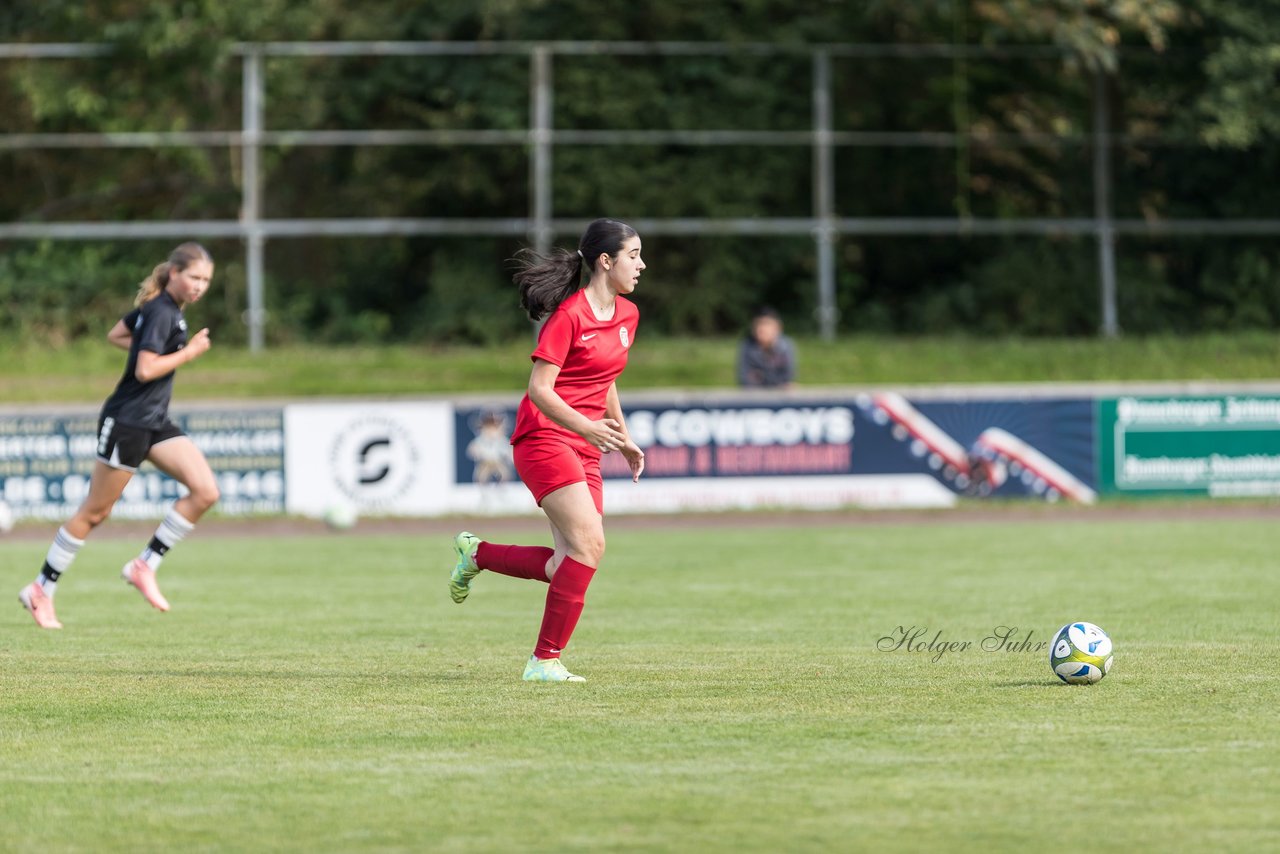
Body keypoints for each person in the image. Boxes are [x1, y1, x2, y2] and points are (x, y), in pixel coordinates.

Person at [449, 218, 646, 683]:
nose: (641, 264)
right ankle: (543, 661)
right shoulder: (569, 317)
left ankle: (476, 555)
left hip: (586, 443)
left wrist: (622, 434)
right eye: (633, 254)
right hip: (543, 437)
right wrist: (588, 428)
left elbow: (605, 378)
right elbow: (540, 390)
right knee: (590, 543)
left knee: (571, 561)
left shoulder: (627, 316)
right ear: (606, 260)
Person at [18, 242, 220, 629]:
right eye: (194, 277)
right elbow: (145, 370)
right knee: (95, 512)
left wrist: (154, 351)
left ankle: (144, 565)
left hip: (155, 421)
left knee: (205, 491)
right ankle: (40, 589)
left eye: (206, 280)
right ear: (174, 273)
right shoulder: (162, 311)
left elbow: (117, 334)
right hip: (127, 421)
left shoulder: (161, 310)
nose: (199, 286)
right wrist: (189, 353)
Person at [737, 306, 796, 388]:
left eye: (766, 324)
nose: (761, 328)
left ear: (778, 327)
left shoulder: (786, 346)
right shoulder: (747, 346)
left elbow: (788, 379)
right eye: (758, 324)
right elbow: (745, 381)